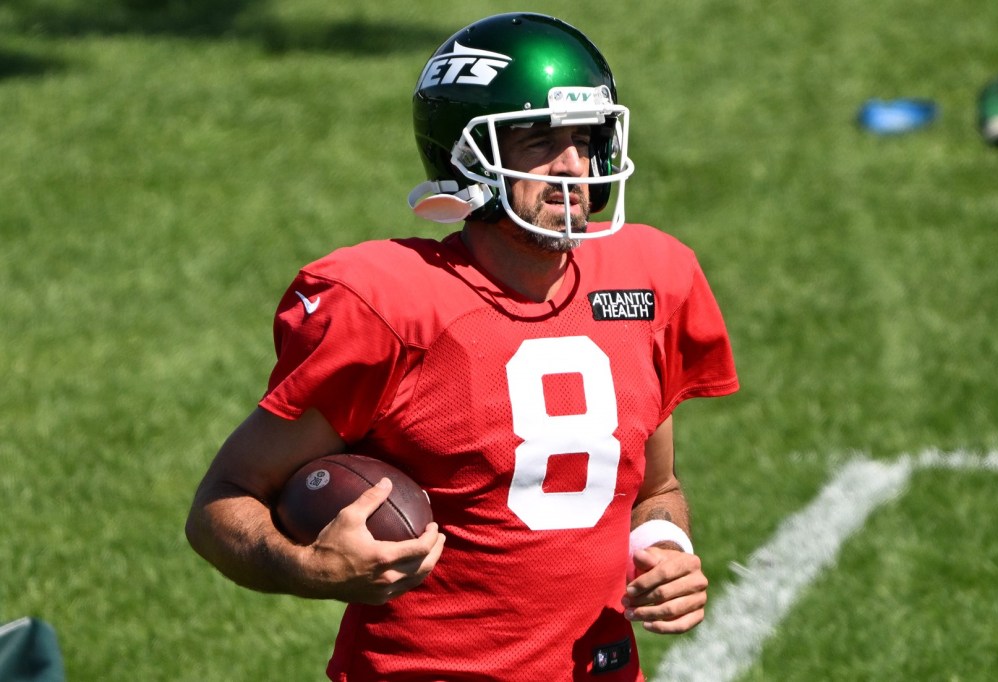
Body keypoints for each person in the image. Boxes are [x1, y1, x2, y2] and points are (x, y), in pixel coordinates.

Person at [185, 12, 739, 681]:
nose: (575, 166)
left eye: (588, 137)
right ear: (466, 155)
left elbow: (656, 488)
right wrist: (311, 568)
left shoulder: (655, 276)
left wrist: (664, 546)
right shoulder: (387, 305)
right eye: (538, 140)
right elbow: (222, 501)